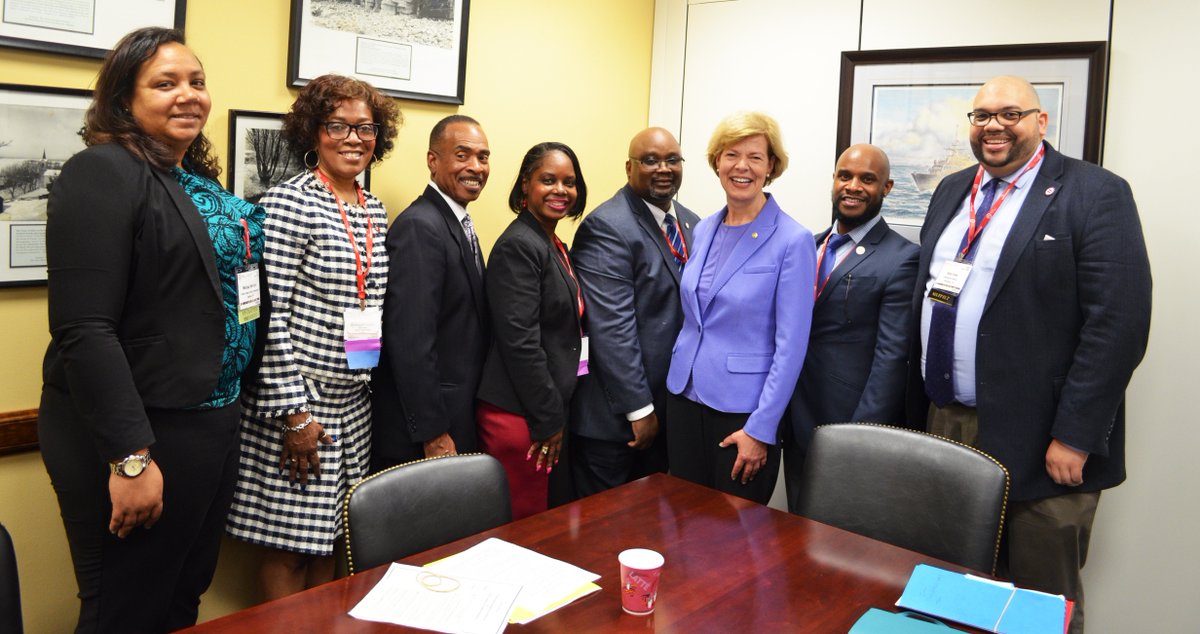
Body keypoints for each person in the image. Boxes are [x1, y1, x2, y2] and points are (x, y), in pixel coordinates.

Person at [38, 27, 265, 632]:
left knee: (181, 597)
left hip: (212, 419)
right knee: (125, 611)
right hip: (141, 430)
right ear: (123, 100)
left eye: (197, 81)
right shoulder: (102, 171)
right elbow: (84, 328)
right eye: (165, 84)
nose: (188, 95)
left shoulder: (191, 181)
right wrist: (131, 458)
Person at [905, 75, 1151, 633]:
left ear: (1041, 122)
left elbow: (1119, 324)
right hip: (948, 424)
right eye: (981, 115)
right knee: (955, 588)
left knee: (1038, 607)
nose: (993, 125)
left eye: (1009, 113)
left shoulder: (1095, 192)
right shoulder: (952, 190)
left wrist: (1076, 435)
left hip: (1045, 441)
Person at [225, 74, 401, 599]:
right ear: (313, 132)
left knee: (332, 544)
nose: (353, 138)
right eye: (338, 126)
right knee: (290, 549)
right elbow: (265, 315)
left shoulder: (372, 208)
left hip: (354, 405)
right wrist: (294, 415)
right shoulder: (289, 203)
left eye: (365, 128)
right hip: (303, 407)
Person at [665, 112, 815, 504]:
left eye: (755, 157)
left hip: (743, 414)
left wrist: (761, 429)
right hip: (683, 398)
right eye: (731, 154)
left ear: (771, 166)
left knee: (733, 531)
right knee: (682, 518)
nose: (741, 166)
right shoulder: (703, 228)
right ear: (717, 161)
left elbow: (791, 347)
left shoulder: (793, 240)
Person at [782, 144, 918, 512]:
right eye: (845, 176)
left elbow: (891, 358)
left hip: (847, 423)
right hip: (795, 419)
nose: (853, 186)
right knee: (797, 527)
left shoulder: (902, 258)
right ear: (834, 180)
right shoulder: (808, 245)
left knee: (840, 534)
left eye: (867, 179)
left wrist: (859, 437)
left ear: (886, 188)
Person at [568, 127, 700, 497]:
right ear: (629, 167)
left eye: (672, 160)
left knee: (650, 519)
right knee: (604, 525)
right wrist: (639, 409)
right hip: (617, 422)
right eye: (651, 160)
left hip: (667, 410)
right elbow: (612, 328)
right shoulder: (608, 226)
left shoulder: (692, 222)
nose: (664, 168)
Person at [371, 115, 490, 470]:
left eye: (483, 157)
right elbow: (411, 342)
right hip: (426, 435)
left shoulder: (457, 222)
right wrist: (433, 432)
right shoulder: (420, 226)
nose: (476, 167)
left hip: (456, 416)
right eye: (462, 155)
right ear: (433, 160)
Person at [476, 142, 588, 520]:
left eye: (569, 182)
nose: (561, 190)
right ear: (526, 184)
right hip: (522, 415)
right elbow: (520, 343)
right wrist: (548, 418)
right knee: (525, 528)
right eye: (548, 180)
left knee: (547, 524)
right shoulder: (519, 246)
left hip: (543, 409)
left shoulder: (550, 241)